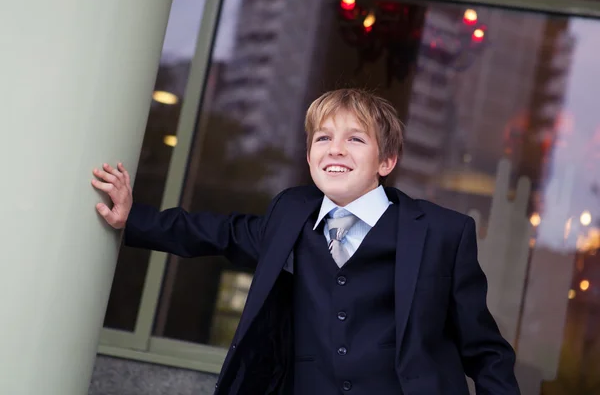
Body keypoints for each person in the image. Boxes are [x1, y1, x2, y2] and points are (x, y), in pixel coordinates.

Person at [92, 88, 520, 394]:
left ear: (386, 161)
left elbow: (484, 350)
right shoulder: (290, 215)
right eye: (323, 138)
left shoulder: (443, 232)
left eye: (355, 139)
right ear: (310, 156)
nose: (335, 149)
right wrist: (134, 217)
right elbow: (218, 232)